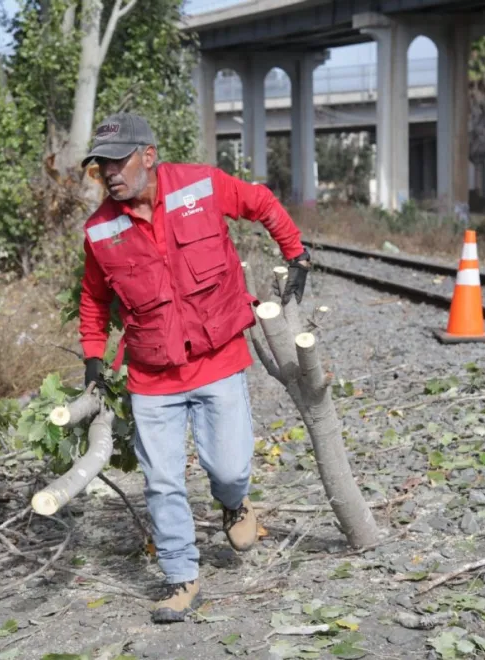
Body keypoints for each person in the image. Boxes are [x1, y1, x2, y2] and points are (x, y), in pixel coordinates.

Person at [77, 112, 311, 623]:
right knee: (162, 480)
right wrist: (94, 356)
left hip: (218, 356)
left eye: (118, 162)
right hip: (152, 373)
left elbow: (262, 203)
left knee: (229, 468)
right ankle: (182, 578)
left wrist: (297, 254)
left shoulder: (201, 185)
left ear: (149, 156)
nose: (110, 174)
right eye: (101, 166)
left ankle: (235, 503)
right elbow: (93, 300)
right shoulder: (100, 230)